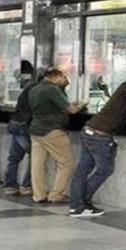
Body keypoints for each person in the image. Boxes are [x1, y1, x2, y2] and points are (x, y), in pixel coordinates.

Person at [68, 61, 126, 217]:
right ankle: (81, 202)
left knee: (82, 171)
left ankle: (76, 206)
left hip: (90, 130)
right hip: (101, 134)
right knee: (104, 169)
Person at [28, 67, 87, 203]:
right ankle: (56, 195)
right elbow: (71, 110)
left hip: (36, 130)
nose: (66, 80)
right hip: (53, 130)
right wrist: (82, 104)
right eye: (64, 77)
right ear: (56, 76)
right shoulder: (52, 89)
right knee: (66, 162)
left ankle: (39, 194)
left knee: (37, 164)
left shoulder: (34, 89)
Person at [2, 61, 37, 196]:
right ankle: (26, 185)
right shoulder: (37, 89)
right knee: (34, 155)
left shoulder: (28, 88)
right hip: (25, 126)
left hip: (15, 123)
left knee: (14, 157)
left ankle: (10, 185)